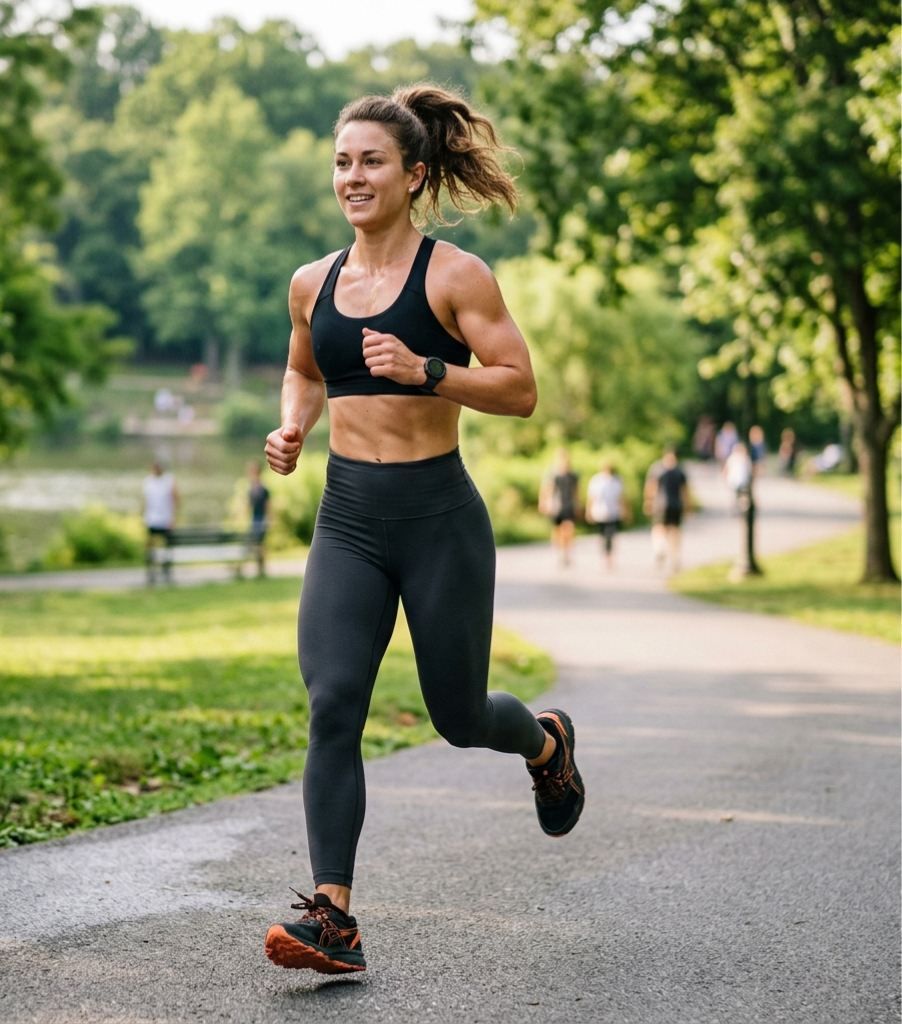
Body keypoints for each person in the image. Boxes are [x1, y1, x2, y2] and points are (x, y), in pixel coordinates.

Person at [262, 85, 584, 975]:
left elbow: (519, 387)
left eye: (370, 161)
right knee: (332, 705)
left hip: (439, 520)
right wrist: (294, 425)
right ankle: (334, 916)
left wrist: (428, 369)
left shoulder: (454, 275)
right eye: (341, 162)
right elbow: (304, 371)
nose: (352, 177)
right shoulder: (311, 283)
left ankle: (546, 741)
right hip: (350, 521)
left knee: (459, 715)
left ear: (412, 174)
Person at [644, 446, 689, 574]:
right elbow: (684, 491)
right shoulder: (680, 471)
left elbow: (651, 486)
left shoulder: (657, 468)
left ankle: (660, 548)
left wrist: (648, 501)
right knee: (675, 531)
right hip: (676, 504)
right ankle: (674, 557)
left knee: (659, 528)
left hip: (660, 504)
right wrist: (687, 506)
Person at [538, 447, 580, 566]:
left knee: (568, 528)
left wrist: (577, 505)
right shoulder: (552, 473)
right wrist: (543, 503)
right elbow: (545, 489)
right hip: (555, 506)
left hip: (568, 505)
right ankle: (559, 552)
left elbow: (576, 491)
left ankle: (566, 553)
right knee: (557, 531)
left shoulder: (573, 475)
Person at [585, 461, 627, 570]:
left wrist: (624, 510)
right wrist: (589, 511)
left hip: (612, 513)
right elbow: (592, 498)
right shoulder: (596, 481)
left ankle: (609, 557)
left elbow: (620, 497)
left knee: (611, 536)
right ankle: (604, 556)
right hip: (600, 513)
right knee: (602, 536)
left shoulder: (617, 481)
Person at [142, 461, 179, 583]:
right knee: (151, 546)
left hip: (165, 520)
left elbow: (176, 499)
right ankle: (152, 570)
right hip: (152, 519)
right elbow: (146, 502)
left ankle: (165, 569)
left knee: (166, 546)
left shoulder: (169, 481)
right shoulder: (148, 482)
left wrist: (173, 518)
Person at [245, 460, 270, 576]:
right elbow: (248, 504)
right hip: (254, 518)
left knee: (259, 544)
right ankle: (259, 568)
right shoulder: (252, 489)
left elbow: (267, 506)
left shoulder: (262, 489)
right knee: (257, 544)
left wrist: (267, 519)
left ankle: (261, 568)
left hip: (260, 518)